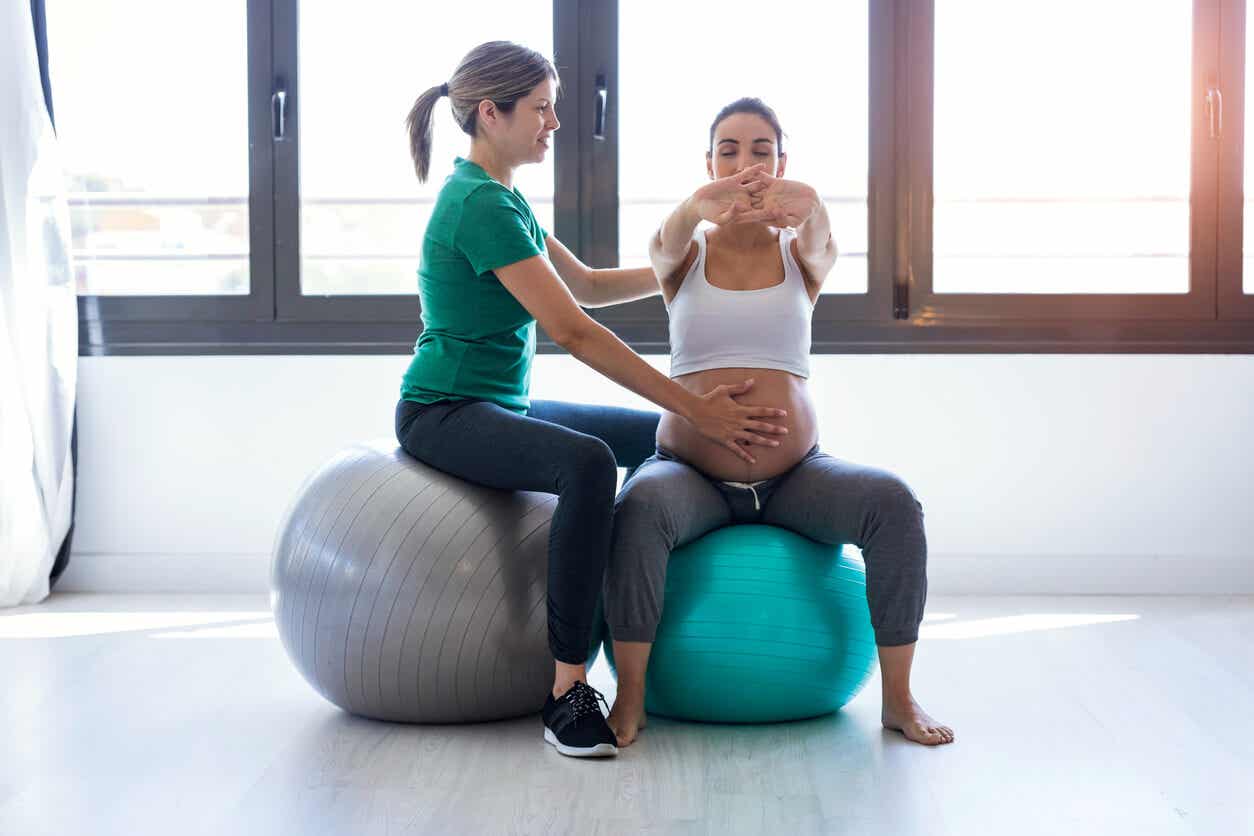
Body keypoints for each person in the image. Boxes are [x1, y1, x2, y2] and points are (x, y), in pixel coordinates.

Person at [396, 43, 789, 759]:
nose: (554, 123)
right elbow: (574, 330)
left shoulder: (501, 196)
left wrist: (694, 256)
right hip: (443, 412)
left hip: (495, 406)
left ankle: (653, 599)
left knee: (658, 435)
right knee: (588, 463)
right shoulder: (478, 203)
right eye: (542, 108)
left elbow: (587, 284)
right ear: (492, 113)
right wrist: (697, 405)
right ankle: (567, 688)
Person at [602, 97, 955, 748]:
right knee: (638, 509)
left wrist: (810, 204)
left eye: (761, 150)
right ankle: (630, 696)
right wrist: (694, 206)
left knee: (893, 504)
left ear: (781, 163)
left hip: (796, 478)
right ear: (708, 164)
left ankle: (899, 700)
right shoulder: (684, 256)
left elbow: (823, 238)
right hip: (691, 475)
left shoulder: (802, 255)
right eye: (728, 151)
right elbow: (663, 241)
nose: (745, 165)